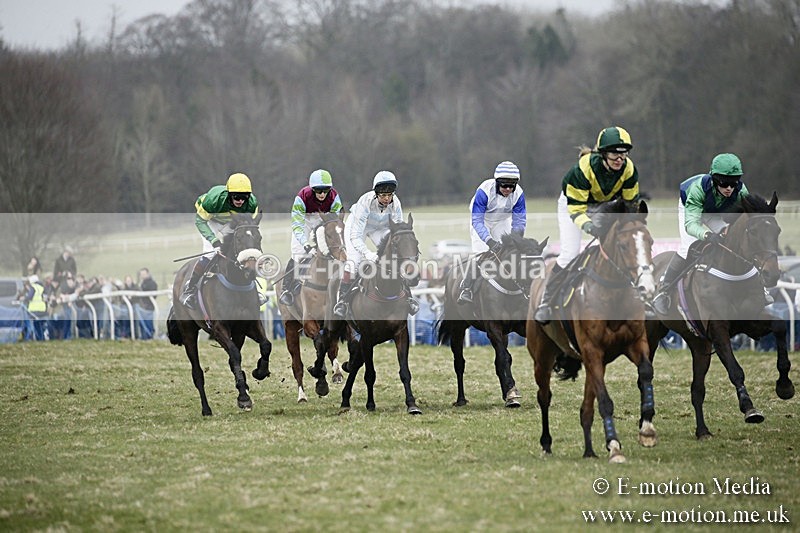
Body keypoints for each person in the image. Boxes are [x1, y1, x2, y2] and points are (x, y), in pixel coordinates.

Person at [534, 126, 640, 324]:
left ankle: (642, 297)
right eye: (614, 154)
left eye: (623, 154)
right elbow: (576, 211)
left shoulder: (629, 169)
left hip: (604, 204)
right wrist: (591, 227)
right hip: (573, 206)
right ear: (602, 154)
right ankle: (545, 303)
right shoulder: (582, 169)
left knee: (627, 247)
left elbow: (629, 206)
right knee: (570, 253)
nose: (620, 159)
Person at [651, 153, 749, 314]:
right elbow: (691, 224)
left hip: (713, 211)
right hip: (690, 209)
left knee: (730, 239)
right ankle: (663, 291)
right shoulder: (698, 189)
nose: (729, 188)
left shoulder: (741, 190)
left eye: (733, 182)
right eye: (724, 183)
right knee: (688, 246)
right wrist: (707, 235)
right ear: (714, 178)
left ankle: (756, 286)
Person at [332, 170, 419, 318]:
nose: (386, 198)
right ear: (376, 194)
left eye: (389, 195)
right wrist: (368, 253)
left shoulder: (395, 203)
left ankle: (408, 297)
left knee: (394, 258)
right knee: (354, 262)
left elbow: (396, 230)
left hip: (380, 228)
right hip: (358, 228)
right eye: (383, 195)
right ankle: (342, 301)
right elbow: (355, 236)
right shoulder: (365, 202)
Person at [180, 172, 260, 309]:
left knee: (243, 253)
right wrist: (214, 241)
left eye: (244, 197)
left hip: (232, 222)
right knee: (211, 253)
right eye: (236, 197)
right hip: (210, 220)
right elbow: (200, 221)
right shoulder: (214, 200)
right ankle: (190, 288)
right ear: (229, 194)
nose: (241, 201)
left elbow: (249, 227)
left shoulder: (251, 203)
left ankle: (255, 290)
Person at [457, 160, 526, 304]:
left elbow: (519, 222)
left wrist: (515, 240)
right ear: (497, 182)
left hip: (502, 221)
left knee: (512, 253)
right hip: (482, 222)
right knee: (482, 255)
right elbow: (477, 221)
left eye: (511, 186)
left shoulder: (519, 194)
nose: (507, 189)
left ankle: (521, 287)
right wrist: (489, 241)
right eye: (504, 185)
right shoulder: (484, 190)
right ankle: (466, 288)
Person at [279, 169, 344, 306]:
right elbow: (297, 224)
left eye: (325, 190)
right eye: (318, 190)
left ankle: (342, 287)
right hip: (305, 220)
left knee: (335, 248)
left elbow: (336, 220)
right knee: (297, 252)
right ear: (312, 189)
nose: (322, 194)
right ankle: (287, 289)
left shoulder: (334, 196)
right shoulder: (302, 197)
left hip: (324, 220)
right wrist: (306, 245)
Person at [135, 267, 158, 339]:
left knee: (148, 324)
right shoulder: (141, 283)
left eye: (144, 274)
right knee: (142, 324)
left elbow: (154, 295)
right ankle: (144, 337)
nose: (142, 276)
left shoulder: (152, 283)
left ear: (147, 274)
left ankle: (149, 337)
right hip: (142, 307)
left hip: (148, 307)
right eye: (141, 274)